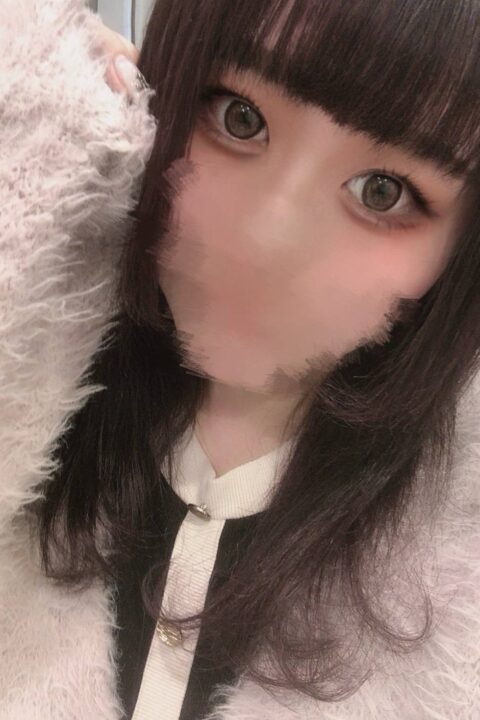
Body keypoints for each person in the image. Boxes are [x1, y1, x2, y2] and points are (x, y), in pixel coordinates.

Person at [0, 0, 478, 719]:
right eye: (239, 118)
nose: (270, 237)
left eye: (383, 193)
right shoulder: (34, 396)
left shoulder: (453, 571)